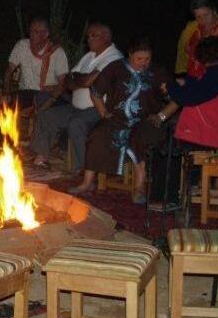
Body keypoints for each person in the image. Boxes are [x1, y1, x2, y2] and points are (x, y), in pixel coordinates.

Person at [72, 37, 170, 203]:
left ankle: (139, 187)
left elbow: (177, 98)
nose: (143, 63)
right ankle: (87, 182)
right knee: (98, 134)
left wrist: (162, 116)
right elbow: (96, 92)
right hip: (117, 118)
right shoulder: (116, 68)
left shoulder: (157, 72)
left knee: (142, 138)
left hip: (145, 120)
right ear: (130, 54)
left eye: (147, 59)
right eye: (139, 59)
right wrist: (103, 112)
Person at [149, 36, 218, 204]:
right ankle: (187, 186)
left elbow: (192, 97)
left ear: (201, 57)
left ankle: (167, 197)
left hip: (209, 136)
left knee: (166, 149)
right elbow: (202, 89)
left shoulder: (217, 74)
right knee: (170, 139)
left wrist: (171, 87)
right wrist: (185, 82)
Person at [29, 23, 123, 172]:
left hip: (97, 110)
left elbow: (85, 81)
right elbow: (69, 81)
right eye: (88, 36)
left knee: (76, 123)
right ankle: (41, 158)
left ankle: (84, 169)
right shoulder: (89, 56)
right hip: (76, 107)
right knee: (46, 116)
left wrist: (79, 79)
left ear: (106, 37)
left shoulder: (114, 58)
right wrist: (82, 79)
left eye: (94, 36)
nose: (89, 40)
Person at [3, 17, 69, 109]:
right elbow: (9, 71)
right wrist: (6, 92)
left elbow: (62, 83)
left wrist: (51, 100)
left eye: (36, 32)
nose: (31, 35)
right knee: (5, 104)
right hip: (26, 93)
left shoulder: (58, 52)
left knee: (60, 110)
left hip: (47, 94)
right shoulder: (22, 46)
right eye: (31, 31)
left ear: (46, 34)